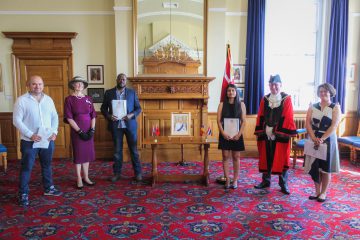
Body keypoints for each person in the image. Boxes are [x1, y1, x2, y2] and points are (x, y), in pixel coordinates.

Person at [13, 75, 62, 206]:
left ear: (43, 85)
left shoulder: (49, 100)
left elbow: (55, 117)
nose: (37, 86)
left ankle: (49, 188)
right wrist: (30, 134)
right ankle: (23, 193)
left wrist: (54, 132)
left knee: (47, 165)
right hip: (29, 141)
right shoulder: (21, 100)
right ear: (28, 85)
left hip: (47, 140)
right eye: (34, 84)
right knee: (27, 167)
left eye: (40, 84)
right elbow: (16, 121)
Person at [254, 75, 297, 194]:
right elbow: (261, 115)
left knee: (281, 158)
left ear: (280, 85)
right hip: (266, 133)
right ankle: (265, 181)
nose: (274, 87)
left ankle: (283, 183)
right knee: (265, 157)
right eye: (271, 85)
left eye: (276, 85)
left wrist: (277, 131)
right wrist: (263, 129)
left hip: (280, 134)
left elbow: (288, 116)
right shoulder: (265, 99)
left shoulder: (286, 99)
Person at [101, 73, 142, 182]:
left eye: (124, 79)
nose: (122, 80)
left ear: (126, 81)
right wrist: (109, 116)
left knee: (133, 150)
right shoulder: (109, 93)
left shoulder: (132, 93)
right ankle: (117, 173)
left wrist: (131, 115)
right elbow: (103, 109)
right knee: (117, 151)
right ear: (117, 80)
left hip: (130, 125)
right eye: (120, 78)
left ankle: (138, 173)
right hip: (116, 126)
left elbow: (138, 109)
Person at [304, 83, 341, 202]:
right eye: (321, 91)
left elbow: (334, 125)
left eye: (325, 91)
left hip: (328, 140)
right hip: (314, 139)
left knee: (325, 168)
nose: (323, 93)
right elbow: (308, 123)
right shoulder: (313, 106)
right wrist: (314, 138)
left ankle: (324, 193)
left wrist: (322, 139)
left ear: (330, 92)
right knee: (315, 166)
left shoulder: (335, 107)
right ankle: (317, 192)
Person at [64, 76, 96, 189]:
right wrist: (80, 131)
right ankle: (78, 178)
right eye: (77, 83)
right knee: (79, 155)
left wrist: (92, 130)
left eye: (82, 84)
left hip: (89, 129)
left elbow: (93, 115)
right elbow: (69, 118)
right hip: (77, 130)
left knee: (86, 154)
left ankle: (86, 177)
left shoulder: (88, 98)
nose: (79, 85)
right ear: (73, 85)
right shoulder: (69, 99)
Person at [217, 84, 246, 189]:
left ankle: (235, 180)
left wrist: (239, 135)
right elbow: (218, 121)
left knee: (236, 157)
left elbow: (244, 122)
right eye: (229, 91)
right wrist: (223, 133)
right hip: (225, 134)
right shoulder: (221, 105)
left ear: (236, 92)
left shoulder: (241, 105)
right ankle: (227, 180)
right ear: (226, 92)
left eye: (233, 90)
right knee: (225, 156)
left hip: (237, 135)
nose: (231, 92)